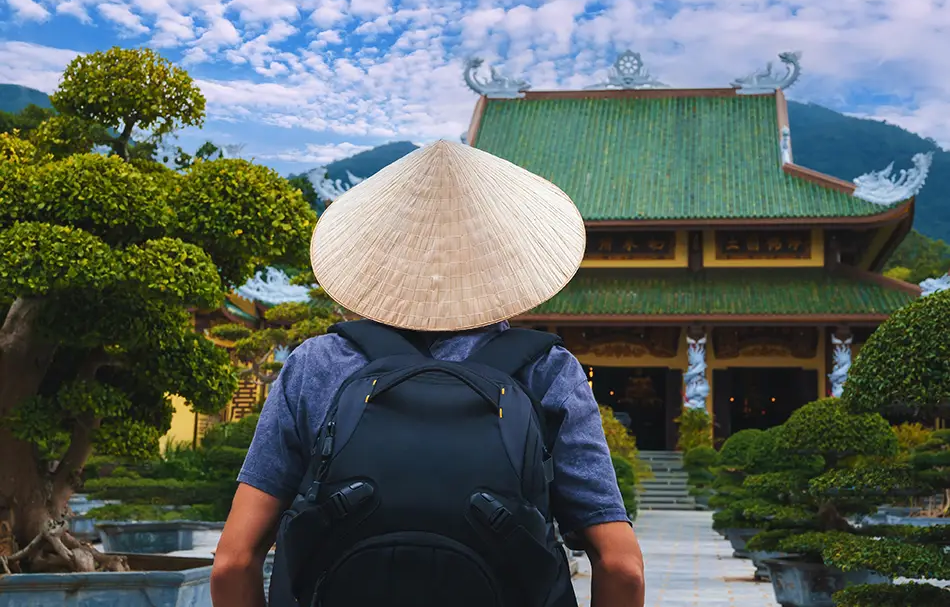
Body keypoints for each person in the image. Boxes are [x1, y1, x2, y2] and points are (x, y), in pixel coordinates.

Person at [210, 140, 646, 607]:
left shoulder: (317, 364)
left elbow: (233, 562)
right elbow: (620, 566)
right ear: (505, 259)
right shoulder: (547, 372)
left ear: (376, 259)